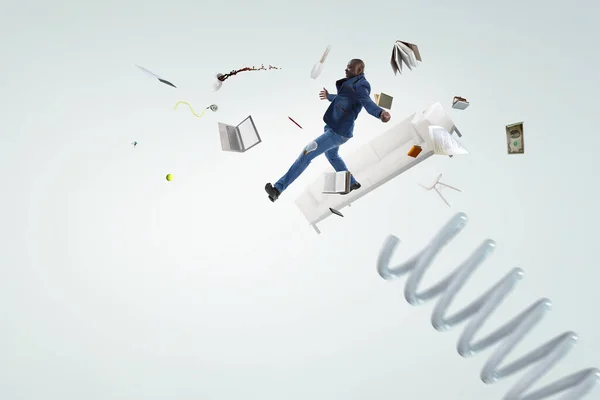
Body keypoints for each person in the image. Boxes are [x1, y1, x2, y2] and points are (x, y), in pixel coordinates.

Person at [265, 59, 391, 202]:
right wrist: (328, 96)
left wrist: (380, 113)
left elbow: (367, 102)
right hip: (334, 128)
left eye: (349, 68)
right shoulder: (352, 82)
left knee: (307, 152)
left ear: (359, 70)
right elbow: (342, 98)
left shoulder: (362, 85)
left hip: (338, 132)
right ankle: (351, 183)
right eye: (346, 66)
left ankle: (277, 189)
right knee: (332, 156)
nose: (346, 69)